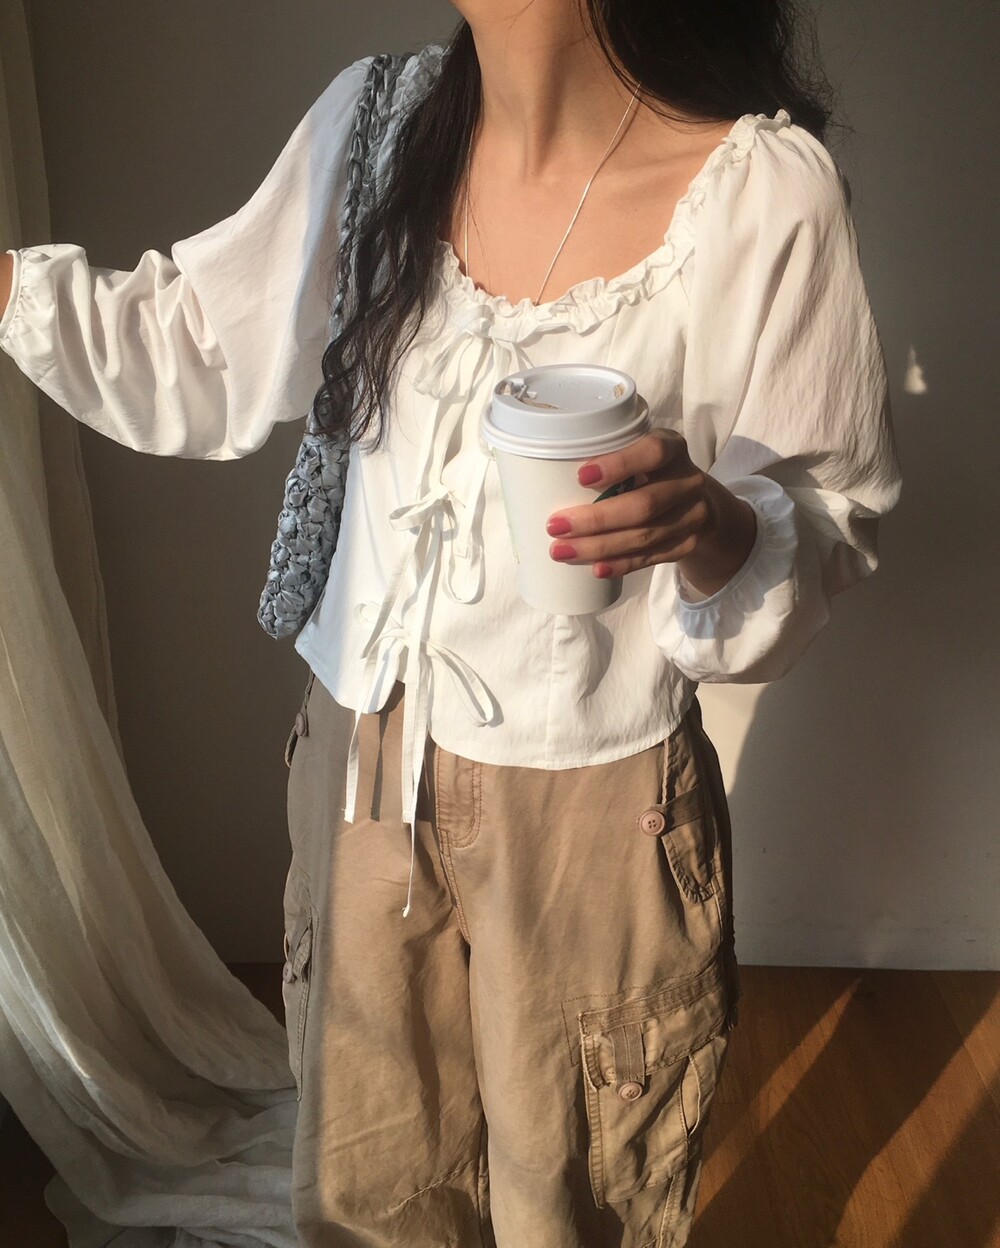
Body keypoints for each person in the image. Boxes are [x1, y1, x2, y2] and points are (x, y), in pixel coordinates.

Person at [0, 1, 902, 1245]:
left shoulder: (761, 193)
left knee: (568, 1194)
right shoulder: (376, 125)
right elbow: (199, 346)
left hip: (591, 798)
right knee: (369, 1178)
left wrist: (712, 524)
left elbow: (828, 506)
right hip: (362, 757)